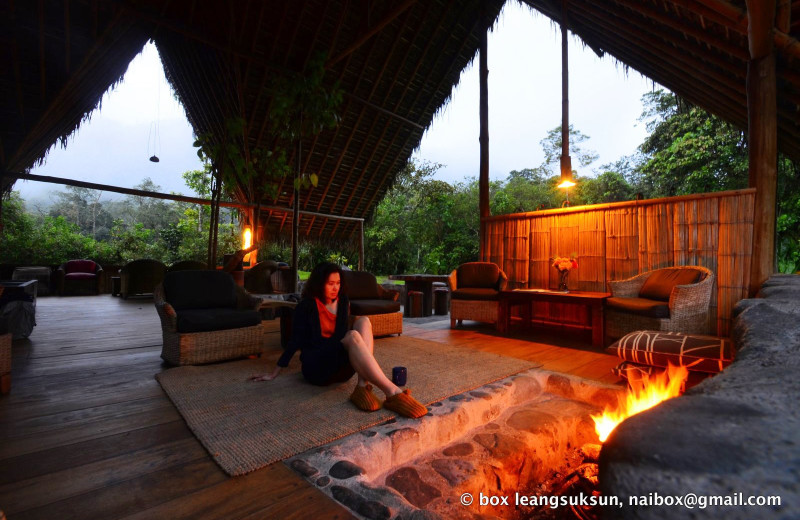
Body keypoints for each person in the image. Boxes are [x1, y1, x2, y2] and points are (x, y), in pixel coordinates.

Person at [250, 262, 427, 419]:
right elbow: (295, 340)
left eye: (338, 283)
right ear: (320, 284)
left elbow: (341, 337)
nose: (335, 288)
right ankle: (392, 392)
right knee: (352, 336)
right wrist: (274, 372)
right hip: (318, 368)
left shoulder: (342, 301)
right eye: (330, 284)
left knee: (364, 321)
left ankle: (362, 387)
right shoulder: (307, 306)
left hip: (341, 366)